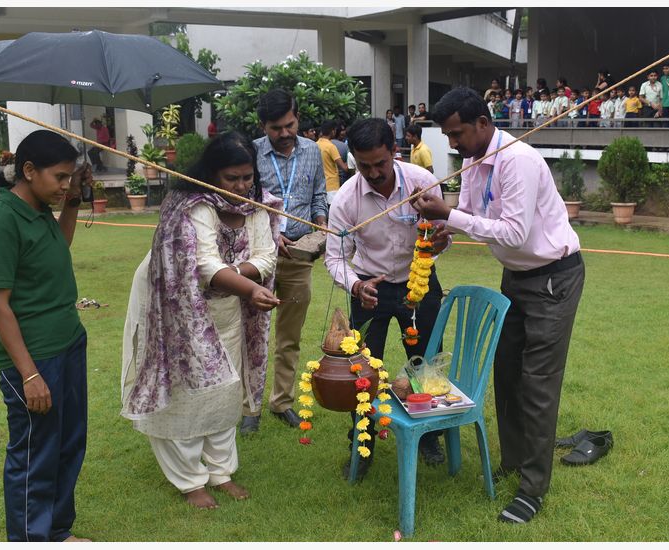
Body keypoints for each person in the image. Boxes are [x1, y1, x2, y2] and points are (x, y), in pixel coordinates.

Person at [412, 87, 584, 525]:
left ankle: (532, 489)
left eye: (458, 134)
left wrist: (449, 216)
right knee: (506, 370)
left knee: (538, 380)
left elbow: (512, 233)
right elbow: (471, 214)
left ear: (484, 124)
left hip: (552, 278)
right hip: (517, 277)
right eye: (448, 136)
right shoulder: (474, 161)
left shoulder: (518, 161)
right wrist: (441, 232)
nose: (452, 144)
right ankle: (514, 460)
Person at [121, 132, 280, 510]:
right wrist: (247, 285)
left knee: (225, 385)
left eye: (247, 177)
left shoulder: (256, 205)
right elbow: (202, 264)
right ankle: (190, 479)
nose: (242, 186)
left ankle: (221, 472)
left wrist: (237, 279)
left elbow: (267, 256)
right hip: (175, 308)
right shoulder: (192, 206)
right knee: (186, 390)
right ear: (212, 176)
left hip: (229, 306)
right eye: (232, 178)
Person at [0, 130, 94, 541]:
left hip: (68, 343)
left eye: (70, 177)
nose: (65, 185)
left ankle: (57, 532)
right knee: (34, 454)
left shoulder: (40, 209)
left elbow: (58, 247)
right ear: (28, 171)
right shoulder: (1, 221)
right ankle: (30, 540)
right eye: (60, 177)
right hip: (34, 358)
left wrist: (73, 200)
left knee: (68, 444)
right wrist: (28, 374)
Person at [325, 117, 451, 480]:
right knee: (360, 371)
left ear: (394, 152)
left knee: (425, 361)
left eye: (380, 163)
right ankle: (361, 441)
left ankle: (428, 436)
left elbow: (441, 235)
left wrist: (441, 243)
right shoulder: (347, 199)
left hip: (420, 282)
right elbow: (335, 256)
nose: (374, 172)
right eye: (364, 166)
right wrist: (355, 286)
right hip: (369, 288)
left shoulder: (423, 183)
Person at [252, 89, 328, 433]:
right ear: (262, 126)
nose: (284, 133)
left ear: (297, 118)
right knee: (251, 333)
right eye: (275, 128)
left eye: (290, 125)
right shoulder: (251, 154)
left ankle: (281, 402)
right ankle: (248, 408)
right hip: (259, 257)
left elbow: (318, 196)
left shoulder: (312, 151)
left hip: (299, 256)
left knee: (289, 336)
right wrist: (269, 230)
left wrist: (322, 222)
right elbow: (244, 203)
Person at [317, 120, 350, 204]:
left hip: (319, 186)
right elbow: (344, 168)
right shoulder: (331, 146)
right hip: (332, 187)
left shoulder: (315, 144)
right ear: (333, 131)